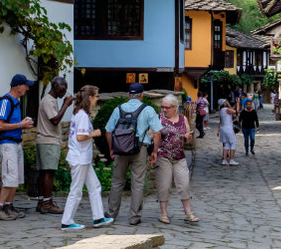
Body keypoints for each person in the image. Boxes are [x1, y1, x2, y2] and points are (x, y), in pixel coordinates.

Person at [104, 83, 163, 225]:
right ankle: (134, 217)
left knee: (117, 182)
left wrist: (112, 149)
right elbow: (157, 133)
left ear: (128, 94)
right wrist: (154, 151)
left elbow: (108, 131)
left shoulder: (118, 109)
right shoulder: (147, 109)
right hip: (140, 149)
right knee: (137, 183)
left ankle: (111, 214)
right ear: (142, 95)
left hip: (120, 149)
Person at [60, 85, 114, 231]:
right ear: (89, 97)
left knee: (95, 186)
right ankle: (66, 221)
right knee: (76, 191)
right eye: (96, 96)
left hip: (83, 158)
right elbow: (80, 137)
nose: (98, 99)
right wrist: (94, 134)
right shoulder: (83, 115)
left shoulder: (78, 113)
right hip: (80, 158)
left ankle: (98, 217)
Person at [0, 74, 35, 221]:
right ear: (18, 87)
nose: (27, 88)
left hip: (15, 143)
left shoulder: (16, 102)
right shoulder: (6, 102)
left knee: (16, 177)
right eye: (25, 85)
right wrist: (21, 125)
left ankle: (8, 206)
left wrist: (22, 124)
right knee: (10, 177)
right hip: (7, 144)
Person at [155, 94, 198, 224]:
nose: (164, 109)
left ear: (174, 107)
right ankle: (163, 214)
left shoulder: (182, 119)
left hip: (179, 156)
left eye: (167, 107)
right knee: (165, 185)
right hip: (163, 156)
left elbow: (188, 137)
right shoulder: (159, 119)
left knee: (184, 184)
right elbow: (154, 134)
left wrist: (187, 136)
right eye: (162, 107)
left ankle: (188, 213)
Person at [36, 76, 74, 214]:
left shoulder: (49, 100)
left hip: (45, 140)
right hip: (48, 140)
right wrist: (66, 105)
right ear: (55, 86)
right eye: (63, 89)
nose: (64, 92)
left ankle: (42, 201)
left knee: (44, 172)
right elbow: (55, 120)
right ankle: (47, 203)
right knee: (48, 172)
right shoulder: (48, 101)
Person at [217, 99, 239, 165]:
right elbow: (236, 112)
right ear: (223, 104)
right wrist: (238, 103)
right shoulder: (226, 109)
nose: (226, 102)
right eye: (225, 102)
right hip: (228, 129)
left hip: (223, 128)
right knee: (233, 143)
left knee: (226, 144)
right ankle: (231, 160)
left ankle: (224, 160)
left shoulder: (221, 111)